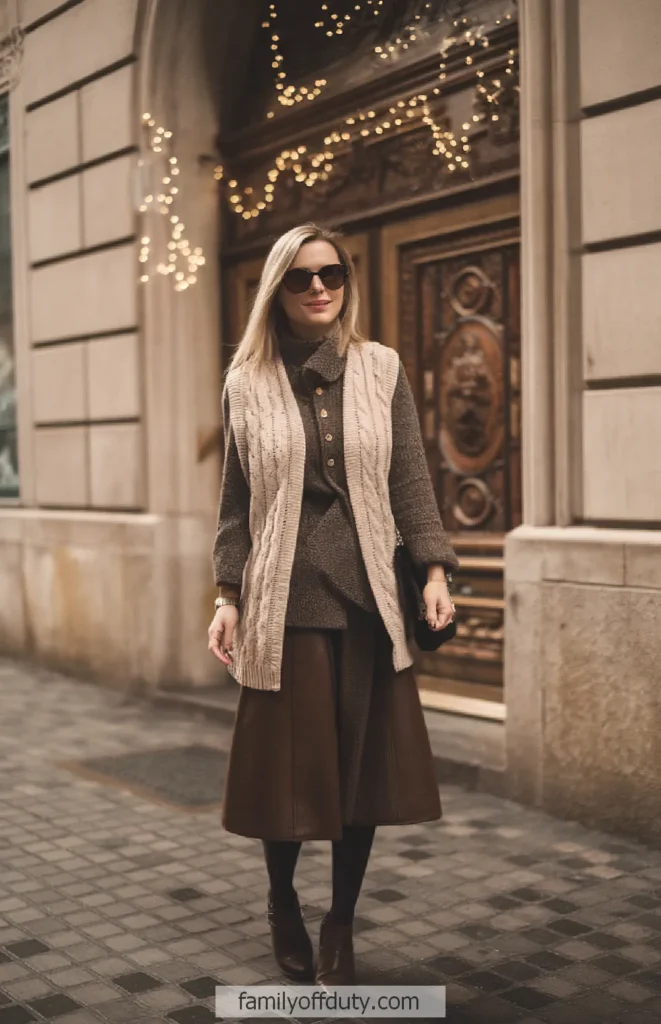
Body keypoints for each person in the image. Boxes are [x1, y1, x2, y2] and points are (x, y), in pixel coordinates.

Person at [208, 222, 458, 987]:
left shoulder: (380, 368)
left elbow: (409, 479)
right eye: (301, 277)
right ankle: (282, 900)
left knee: (360, 778)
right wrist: (226, 596)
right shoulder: (245, 383)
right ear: (276, 290)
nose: (320, 288)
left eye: (333, 273)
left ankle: (339, 921)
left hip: (368, 602)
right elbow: (235, 503)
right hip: (283, 601)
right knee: (284, 776)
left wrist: (433, 571)